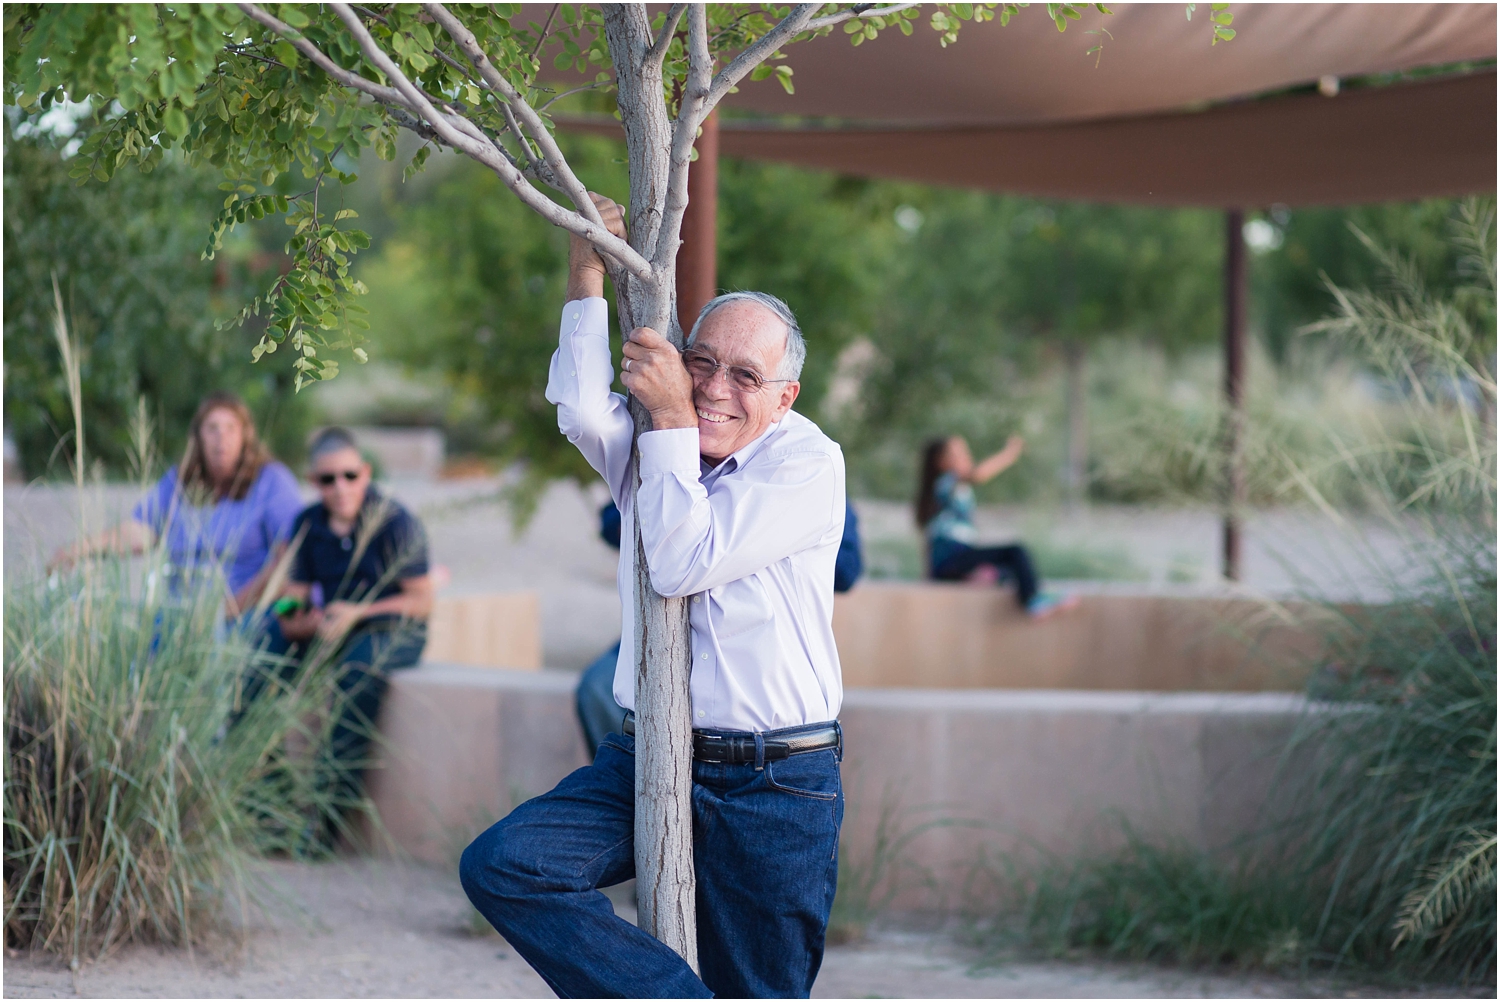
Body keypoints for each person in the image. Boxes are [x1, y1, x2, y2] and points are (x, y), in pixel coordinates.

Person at [461, 193, 847, 998]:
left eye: (747, 375)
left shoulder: (806, 465)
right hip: (647, 754)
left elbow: (681, 559)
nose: (714, 388)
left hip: (772, 780)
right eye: (700, 361)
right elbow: (576, 408)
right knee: (509, 866)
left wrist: (669, 411)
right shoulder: (655, 436)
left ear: (786, 398)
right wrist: (585, 272)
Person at [576, 496, 864, 760]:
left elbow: (848, 569)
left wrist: (762, 539)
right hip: (669, 629)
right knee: (597, 686)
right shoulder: (694, 469)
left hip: (759, 641)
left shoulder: (807, 472)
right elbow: (612, 520)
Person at [263, 426, 434, 815]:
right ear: (313, 482)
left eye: (349, 476)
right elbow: (291, 597)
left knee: (354, 673)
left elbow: (422, 601)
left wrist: (359, 612)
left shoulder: (395, 521)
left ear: (366, 473)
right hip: (333, 626)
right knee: (261, 650)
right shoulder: (308, 522)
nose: (340, 487)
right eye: (328, 479)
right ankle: (270, 807)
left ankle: (325, 819)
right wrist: (291, 618)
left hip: (391, 629)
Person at [50, 391, 303, 614]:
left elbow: (291, 552)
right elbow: (141, 531)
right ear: (198, 437)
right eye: (212, 428)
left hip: (243, 612)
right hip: (179, 612)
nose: (221, 438)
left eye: (230, 428)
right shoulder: (179, 482)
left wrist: (233, 609)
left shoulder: (271, 480)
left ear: (245, 436)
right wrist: (78, 549)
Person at [916, 434, 1079, 619]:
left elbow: (930, 538)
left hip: (955, 563)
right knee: (1016, 551)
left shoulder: (947, 494)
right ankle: (1032, 601)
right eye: (956, 454)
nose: (965, 457)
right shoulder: (946, 482)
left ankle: (984, 578)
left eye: (965, 452)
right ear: (940, 462)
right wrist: (1009, 455)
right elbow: (978, 475)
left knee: (1009, 572)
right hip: (952, 560)